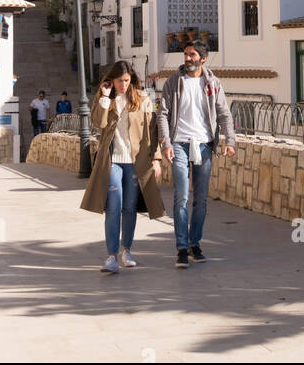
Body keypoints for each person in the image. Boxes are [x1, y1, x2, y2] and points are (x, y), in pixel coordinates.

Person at [80, 59, 165, 273]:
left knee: (129, 208)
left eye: (126, 81)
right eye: (119, 81)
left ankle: (126, 250)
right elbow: (97, 123)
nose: (123, 85)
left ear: (131, 79)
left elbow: (152, 132)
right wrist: (105, 97)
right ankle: (111, 256)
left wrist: (156, 159)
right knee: (113, 207)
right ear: (111, 80)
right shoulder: (105, 99)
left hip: (136, 162)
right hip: (112, 161)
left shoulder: (144, 99)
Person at [157, 38, 236, 268]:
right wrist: (166, 143)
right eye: (186, 54)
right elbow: (162, 114)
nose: (188, 58)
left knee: (200, 200)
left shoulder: (213, 83)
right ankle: (182, 248)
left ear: (203, 58)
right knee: (181, 195)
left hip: (204, 145)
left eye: (192, 55)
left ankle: (195, 243)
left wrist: (229, 140)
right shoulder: (174, 81)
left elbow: (224, 114)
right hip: (179, 143)